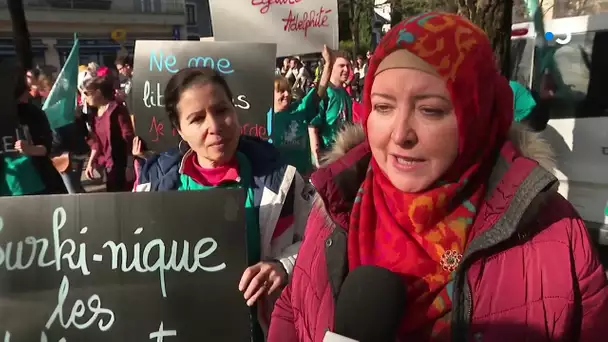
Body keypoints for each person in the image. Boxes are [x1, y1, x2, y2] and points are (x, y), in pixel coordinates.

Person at [268, 12, 608, 342]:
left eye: (429, 110)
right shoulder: (332, 208)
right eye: (383, 107)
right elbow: (293, 314)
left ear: (475, 114)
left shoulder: (555, 232)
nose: (400, 135)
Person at [131, 67, 313, 340]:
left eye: (221, 110)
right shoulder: (151, 189)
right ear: (179, 130)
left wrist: (283, 266)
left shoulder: (282, 181)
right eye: (196, 119)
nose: (214, 127)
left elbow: (320, 239)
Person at [270, 45, 334, 176]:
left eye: (288, 90)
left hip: (302, 179)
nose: (287, 94)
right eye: (281, 91)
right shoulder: (263, 117)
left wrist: (328, 64)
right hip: (277, 182)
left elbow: (319, 92)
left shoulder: (300, 109)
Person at [84, 75, 135, 192]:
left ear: (98, 92)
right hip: (106, 165)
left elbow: (128, 137)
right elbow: (96, 142)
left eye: (87, 93)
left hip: (120, 164)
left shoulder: (117, 110)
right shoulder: (95, 114)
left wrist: (130, 166)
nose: (85, 97)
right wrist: (90, 163)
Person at [308, 51, 352, 166]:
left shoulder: (345, 94)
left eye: (348, 66)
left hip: (343, 154)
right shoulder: (325, 93)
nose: (346, 70)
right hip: (327, 155)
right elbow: (312, 126)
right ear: (331, 67)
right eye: (341, 66)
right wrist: (317, 157)